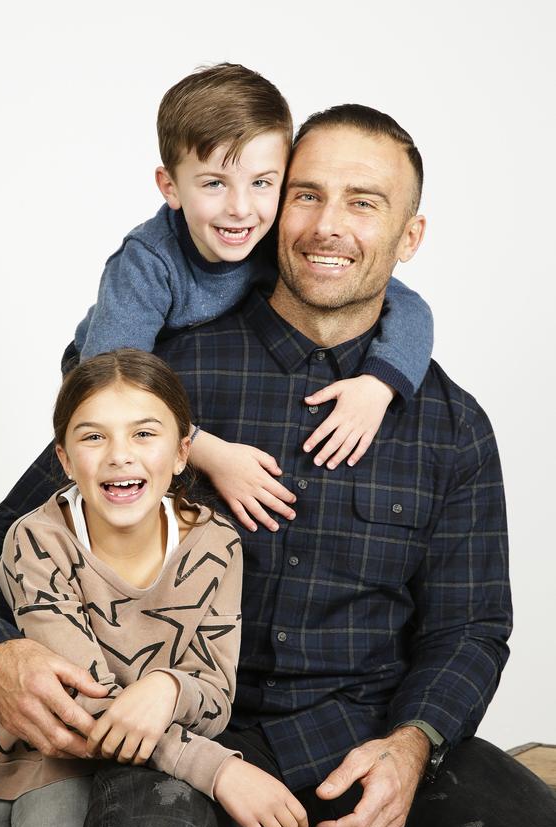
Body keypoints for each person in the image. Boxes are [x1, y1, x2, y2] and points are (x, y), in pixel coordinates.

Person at [0, 104, 556, 827]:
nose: (328, 224)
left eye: (363, 203)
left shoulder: (451, 423)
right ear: (273, 210)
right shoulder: (166, 382)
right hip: (185, 734)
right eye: (306, 194)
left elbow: (471, 627)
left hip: (368, 727)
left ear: (410, 237)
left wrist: (410, 745)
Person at [0, 349, 247, 827]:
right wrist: (220, 770)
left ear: (183, 452)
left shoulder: (216, 544)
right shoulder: (36, 539)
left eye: (144, 433)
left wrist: (169, 685)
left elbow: (214, 692)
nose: (120, 455)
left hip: (85, 763)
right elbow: (81, 706)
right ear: (65, 460)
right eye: (94, 436)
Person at [72, 63, 435, 534]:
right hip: (104, 366)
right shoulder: (147, 263)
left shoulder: (267, 235)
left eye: (263, 183)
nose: (240, 208)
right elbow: (109, 388)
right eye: (213, 183)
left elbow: (407, 306)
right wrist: (210, 453)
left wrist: (378, 385)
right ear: (170, 187)